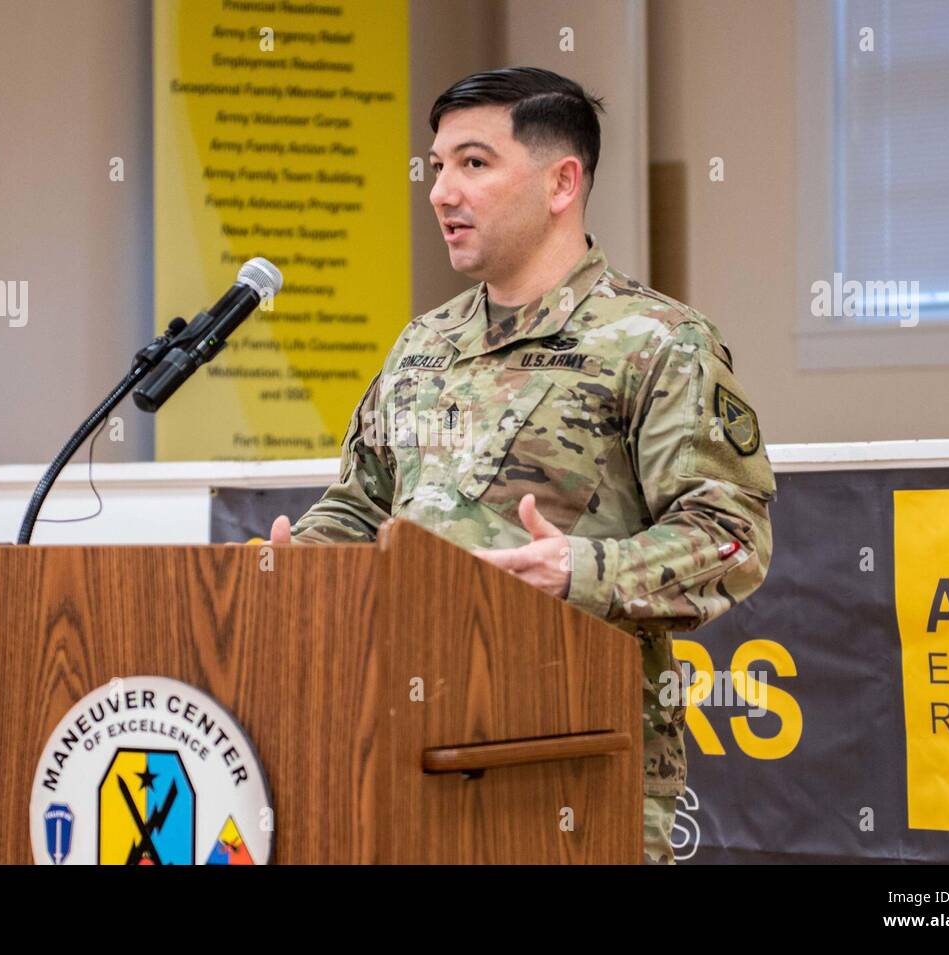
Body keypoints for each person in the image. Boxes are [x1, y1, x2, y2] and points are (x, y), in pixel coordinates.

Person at [268, 66, 777, 864]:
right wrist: (302, 560)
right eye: (437, 166)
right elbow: (362, 505)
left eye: (473, 163)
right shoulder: (421, 346)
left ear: (561, 182)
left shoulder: (656, 341)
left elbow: (733, 537)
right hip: (407, 743)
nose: (440, 191)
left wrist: (579, 570)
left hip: (574, 758)